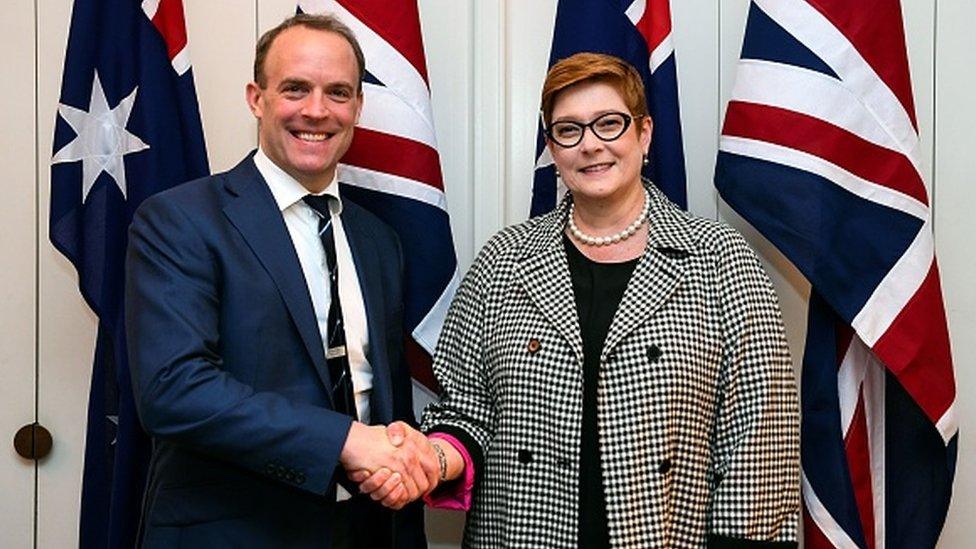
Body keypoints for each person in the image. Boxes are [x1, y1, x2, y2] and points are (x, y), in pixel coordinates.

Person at [358, 52, 801, 547]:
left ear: (645, 133)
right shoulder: (503, 260)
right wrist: (429, 458)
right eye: (569, 130)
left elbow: (760, 440)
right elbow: (465, 411)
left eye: (609, 124)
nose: (591, 145)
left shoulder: (720, 259)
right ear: (553, 147)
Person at [125, 14, 435, 548]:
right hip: (237, 530)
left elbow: (381, 395)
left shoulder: (379, 240)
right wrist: (345, 442)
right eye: (295, 88)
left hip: (370, 529)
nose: (317, 110)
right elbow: (173, 390)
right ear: (256, 98)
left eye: (338, 92)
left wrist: (400, 458)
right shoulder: (180, 220)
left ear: (358, 107)